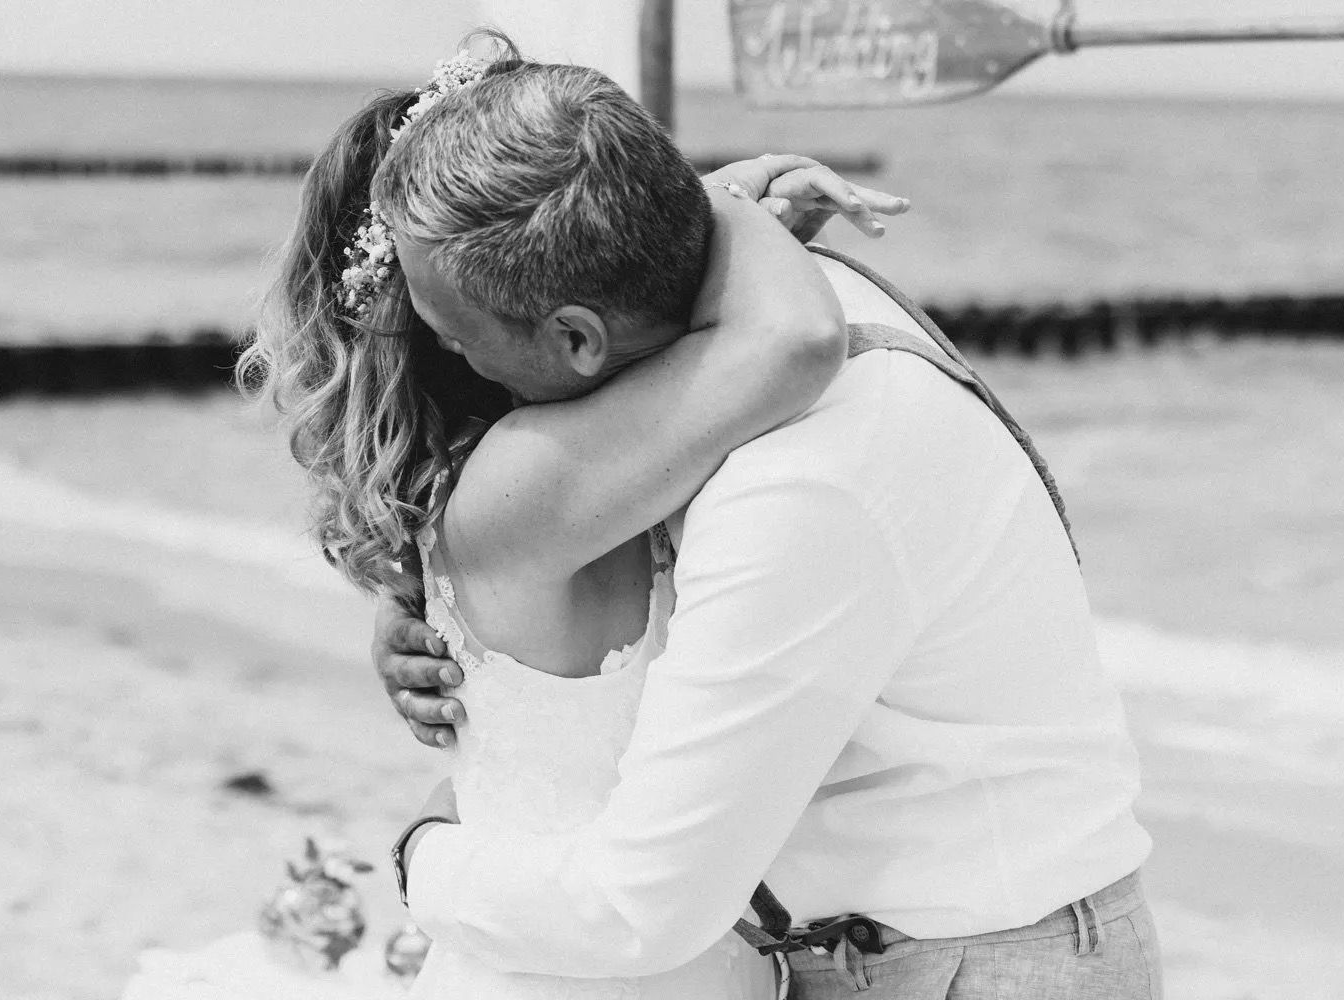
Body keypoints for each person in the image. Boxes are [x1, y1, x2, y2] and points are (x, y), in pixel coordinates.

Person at [119, 39, 912, 1000]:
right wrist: (716, 213)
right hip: (598, 963)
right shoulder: (530, 488)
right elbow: (794, 338)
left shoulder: (544, 486)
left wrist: (653, 230)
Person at [372, 47, 1165, 1000]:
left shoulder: (796, 486)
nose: (464, 373)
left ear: (579, 338)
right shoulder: (737, 326)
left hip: (974, 967)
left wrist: (428, 853)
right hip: (870, 952)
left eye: (461, 342)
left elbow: (643, 906)